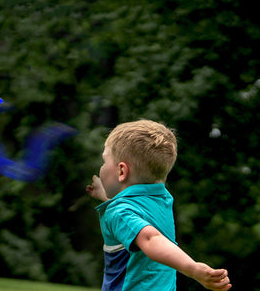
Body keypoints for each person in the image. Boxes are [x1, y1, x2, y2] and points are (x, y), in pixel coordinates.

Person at [86, 119, 231, 291]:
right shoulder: (162, 199)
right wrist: (105, 195)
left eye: (104, 161)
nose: (101, 167)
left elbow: (149, 237)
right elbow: (134, 211)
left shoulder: (119, 212)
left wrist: (192, 269)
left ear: (121, 171)